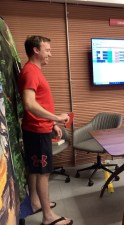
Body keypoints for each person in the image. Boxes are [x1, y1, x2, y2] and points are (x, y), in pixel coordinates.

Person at [18, 35, 73, 225]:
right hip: (36, 131)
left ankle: (34, 202)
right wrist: (57, 117)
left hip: (39, 128)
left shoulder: (34, 70)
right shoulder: (31, 72)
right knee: (43, 172)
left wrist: (53, 124)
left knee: (35, 169)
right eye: (47, 50)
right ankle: (48, 217)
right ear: (36, 50)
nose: (50, 53)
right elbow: (29, 104)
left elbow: (40, 103)